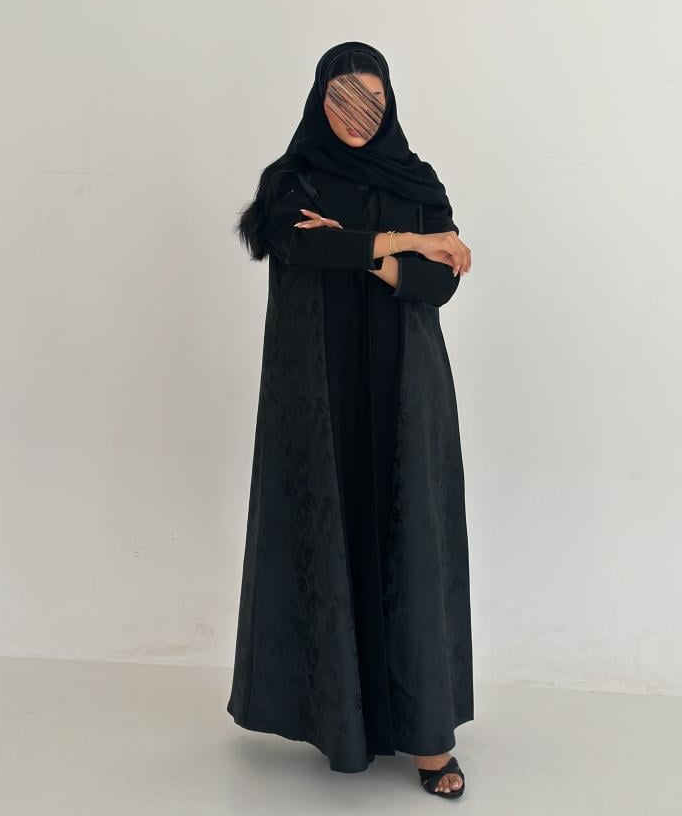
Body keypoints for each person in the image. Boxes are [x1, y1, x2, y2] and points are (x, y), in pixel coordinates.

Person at [228, 40, 474, 798]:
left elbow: (440, 283)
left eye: (372, 100)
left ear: (390, 104)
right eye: (342, 98)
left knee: (411, 542)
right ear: (319, 100)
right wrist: (406, 245)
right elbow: (298, 244)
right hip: (321, 392)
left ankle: (430, 742)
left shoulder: (417, 179)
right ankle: (340, 723)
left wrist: (360, 251)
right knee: (328, 533)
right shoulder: (290, 179)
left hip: (406, 388)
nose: (357, 115)